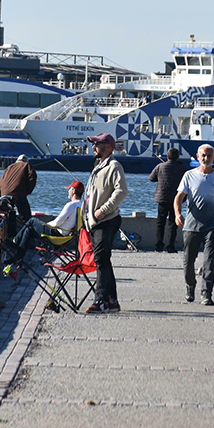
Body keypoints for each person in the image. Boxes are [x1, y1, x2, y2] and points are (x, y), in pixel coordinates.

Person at [174, 144, 214, 305]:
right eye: (203, 155)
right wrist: (178, 214)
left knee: (210, 260)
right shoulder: (189, 176)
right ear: (198, 157)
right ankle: (190, 286)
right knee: (188, 260)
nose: (206, 158)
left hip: (212, 225)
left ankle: (206, 293)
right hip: (191, 225)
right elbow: (178, 198)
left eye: (209, 156)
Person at [84, 133, 128, 314]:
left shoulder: (114, 166)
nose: (94, 146)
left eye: (98, 144)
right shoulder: (98, 166)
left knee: (101, 260)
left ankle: (100, 300)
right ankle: (112, 301)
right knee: (104, 260)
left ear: (109, 147)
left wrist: (103, 210)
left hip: (106, 220)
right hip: (95, 222)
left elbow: (122, 191)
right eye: (94, 144)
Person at [3, 181, 84, 264]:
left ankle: (15, 241)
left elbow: (57, 223)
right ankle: (18, 256)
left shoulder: (71, 205)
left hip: (57, 233)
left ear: (73, 191)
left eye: (69, 189)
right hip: (68, 234)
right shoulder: (82, 205)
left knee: (32, 221)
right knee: (29, 230)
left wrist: (46, 225)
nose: (68, 191)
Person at [149, 148, 188, 252]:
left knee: (160, 222)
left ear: (168, 157)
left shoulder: (160, 166)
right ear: (178, 157)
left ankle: (159, 245)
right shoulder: (182, 169)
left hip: (162, 198)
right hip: (176, 199)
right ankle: (170, 246)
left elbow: (151, 178)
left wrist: (160, 177)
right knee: (173, 223)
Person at [0, 154, 37, 233]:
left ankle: (10, 236)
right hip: (18, 194)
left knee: (10, 213)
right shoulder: (27, 165)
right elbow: (32, 178)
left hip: (4, 195)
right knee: (26, 216)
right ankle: (26, 236)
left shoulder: (9, 167)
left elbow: (0, 183)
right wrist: (27, 191)